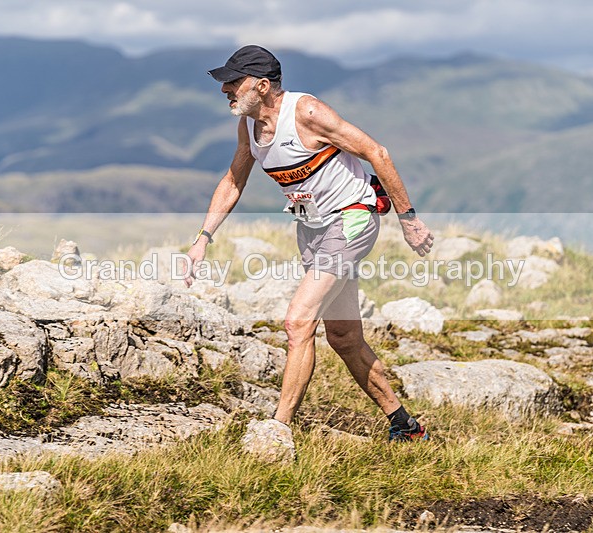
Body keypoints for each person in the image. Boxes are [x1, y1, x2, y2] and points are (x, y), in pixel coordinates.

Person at [184, 45, 435, 442]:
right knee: (343, 337)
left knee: (298, 321)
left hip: (351, 220)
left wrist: (409, 219)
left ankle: (278, 428)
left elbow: (376, 152)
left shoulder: (308, 113)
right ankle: (406, 426)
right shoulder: (248, 127)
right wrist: (202, 239)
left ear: (262, 86)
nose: (225, 90)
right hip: (312, 229)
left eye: (234, 82)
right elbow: (233, 181)